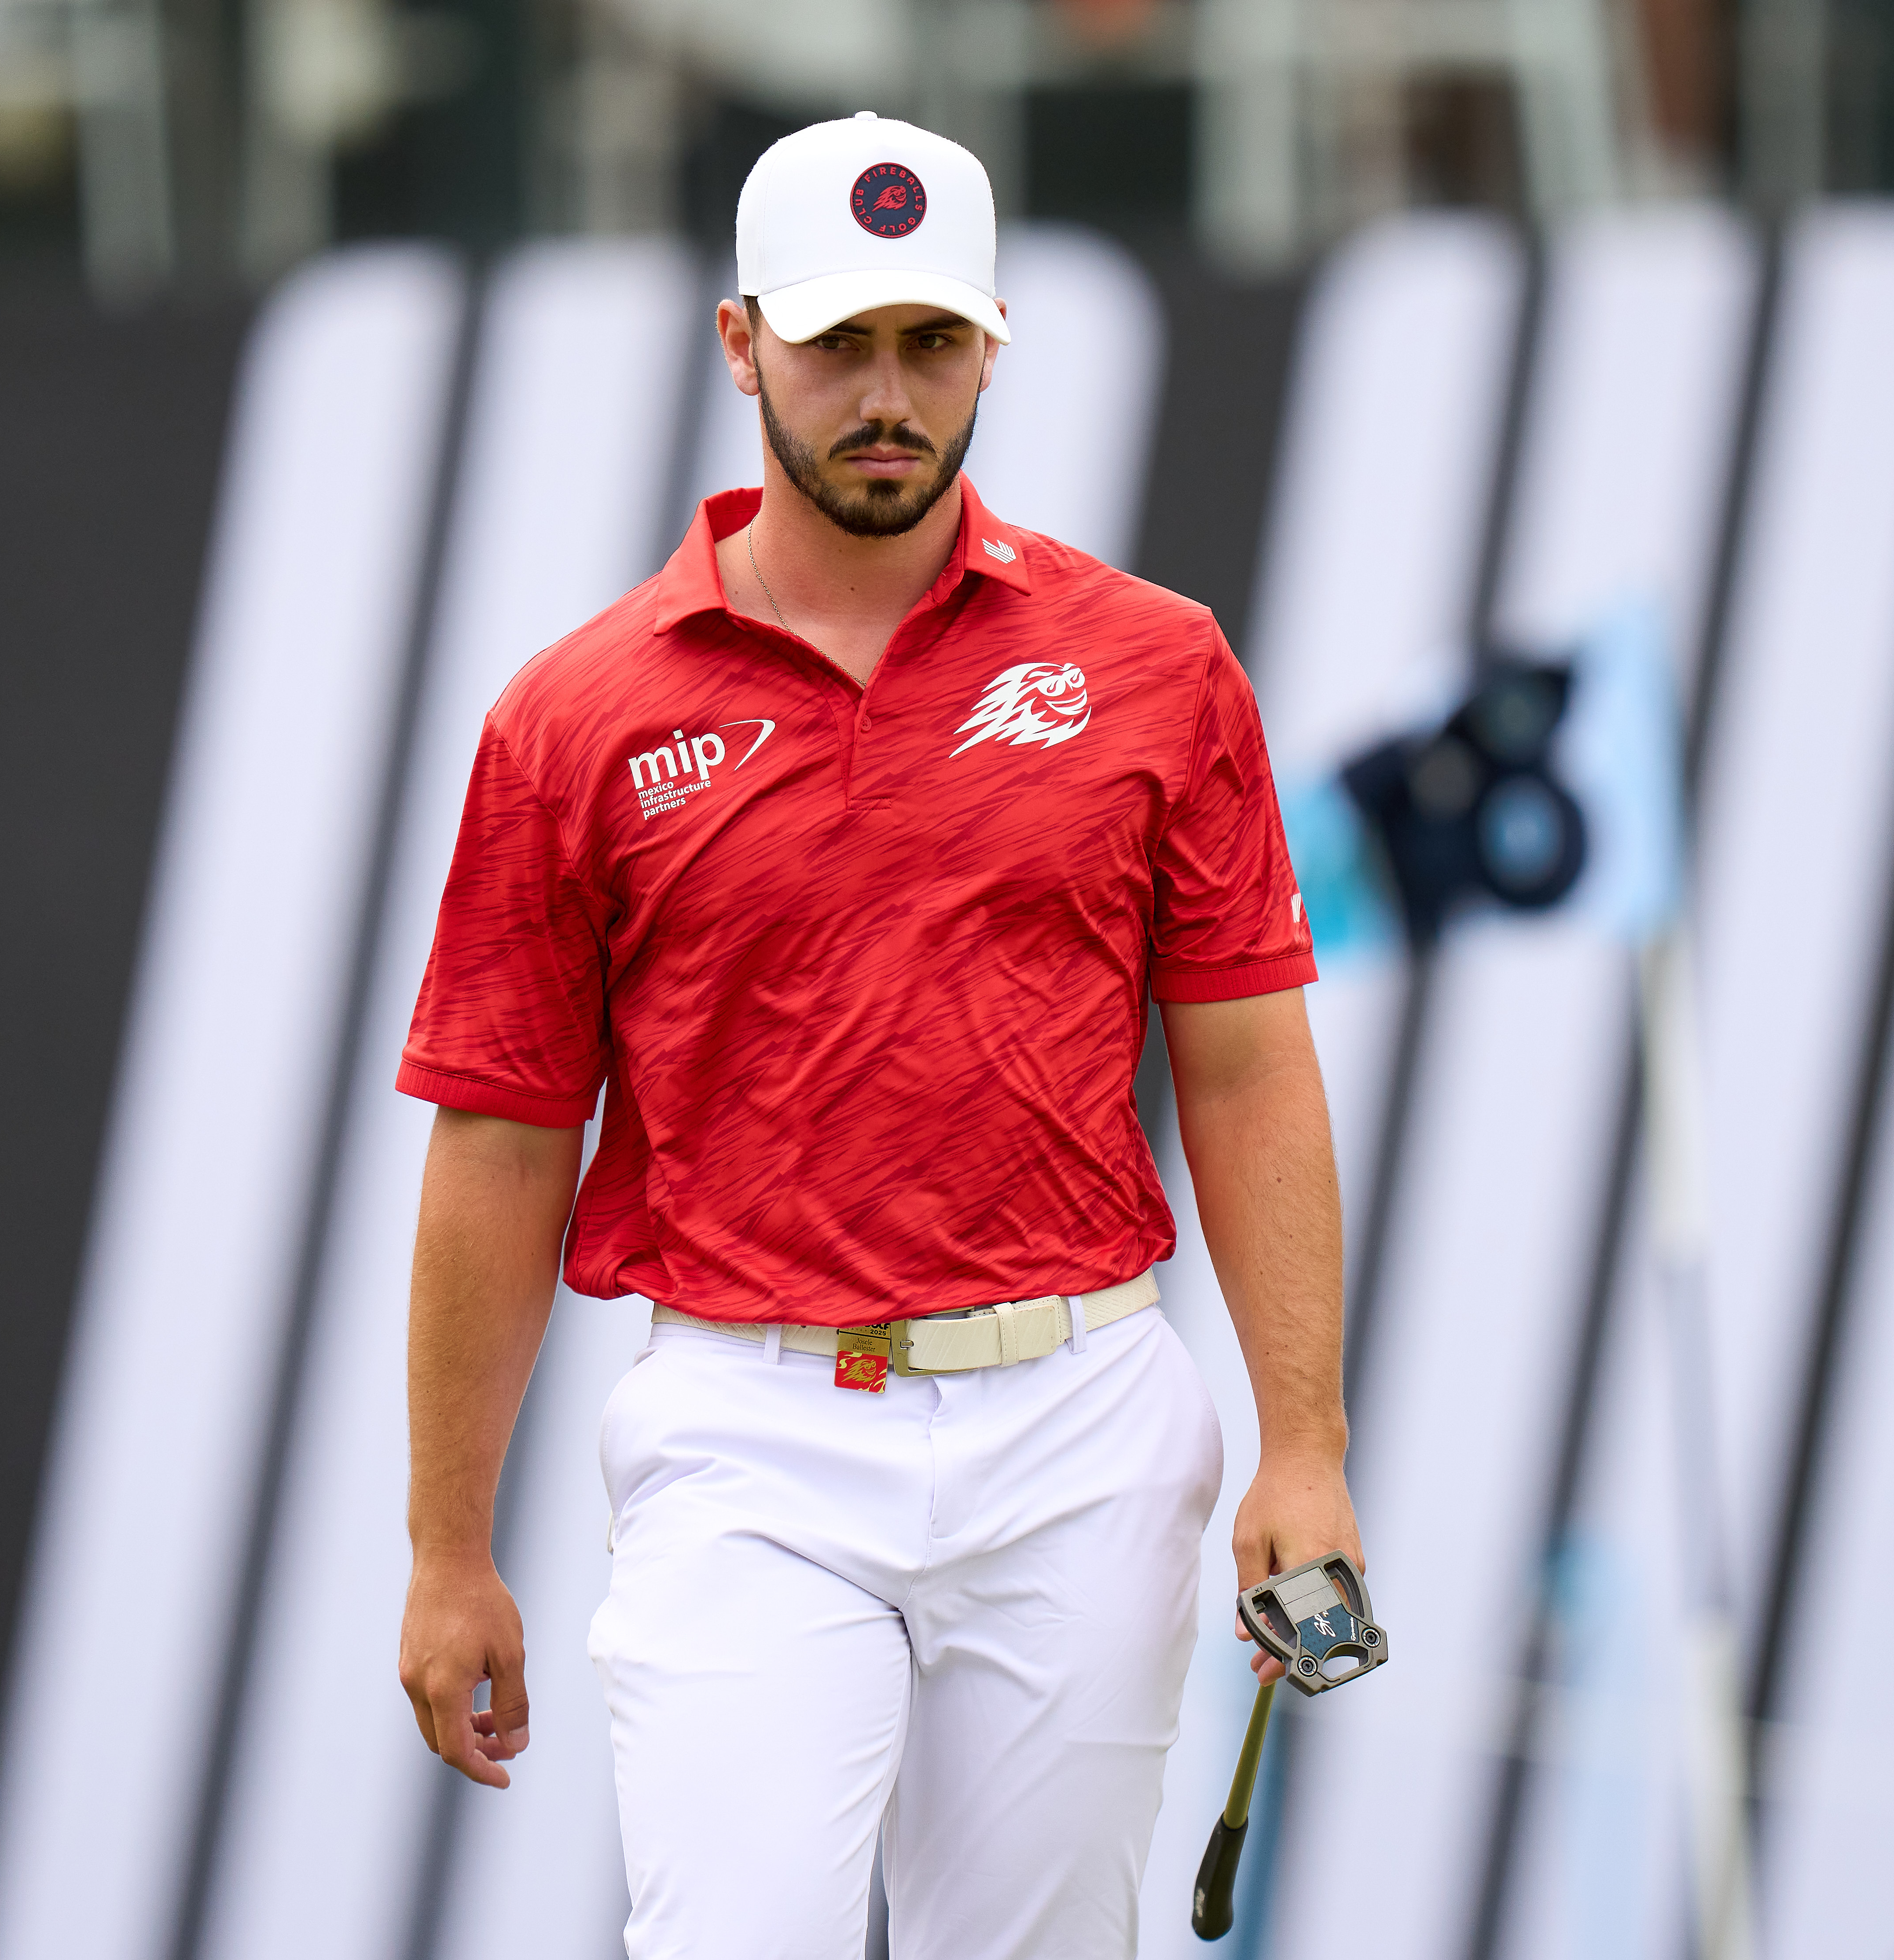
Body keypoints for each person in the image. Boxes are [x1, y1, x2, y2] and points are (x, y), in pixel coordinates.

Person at [393, 110, 1362, 1958]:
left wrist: (1300, 1440)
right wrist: (448, 1545)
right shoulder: (574, 718)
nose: (886, 394)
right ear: (740, 340)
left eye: (930, 343)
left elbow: (1244, 1064)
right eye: (838, 343)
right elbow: (500, 1143)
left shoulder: (1155, 663)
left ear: (990, 342)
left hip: (1081, 1414)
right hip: (747, 1437)